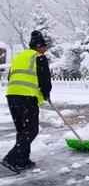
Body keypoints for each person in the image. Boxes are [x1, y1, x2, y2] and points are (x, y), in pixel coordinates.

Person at [1, 30, 52, 173]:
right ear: (40, 47)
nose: (45, 50)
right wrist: (46, 93)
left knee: (22, 130)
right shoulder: (38, 57)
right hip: (26, 97)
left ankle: (23, 160)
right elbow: (44, 79)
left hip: (11, 96)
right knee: (31, 130)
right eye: (44, 47)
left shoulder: (20, 57)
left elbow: (11, 76)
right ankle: (11, 159)